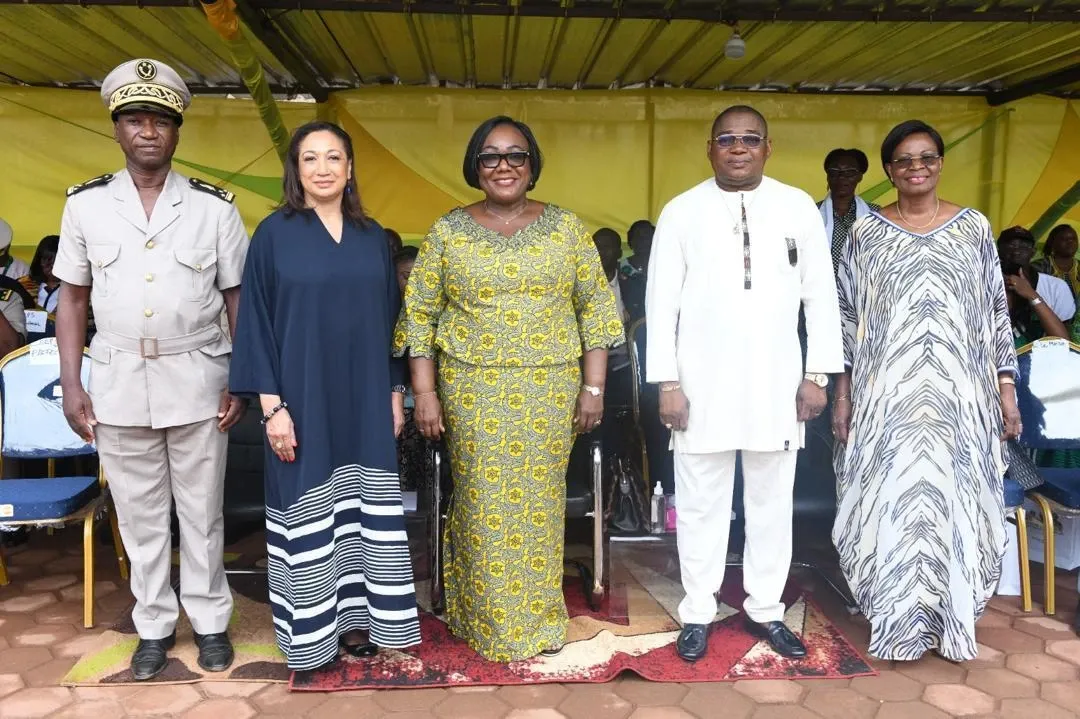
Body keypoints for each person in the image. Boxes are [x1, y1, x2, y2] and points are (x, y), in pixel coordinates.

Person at [394, 115, 623, 662]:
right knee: (479, 501)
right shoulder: (448, 231)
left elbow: (594, 307)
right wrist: (424, 394)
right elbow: (419, 316)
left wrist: (593, 388)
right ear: (475, 167)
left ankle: (539, 616)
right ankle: (484, 615)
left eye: (515, 155)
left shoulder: (567, 228)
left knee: (540, 505)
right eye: (491, 156)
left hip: (549, 390)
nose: (504, 166)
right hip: (472, 390)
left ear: (532, 164)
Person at [53, 58, 248, 681]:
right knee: (138, 517)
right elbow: (73, 301)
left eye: (160, 120)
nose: (147, 131)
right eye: (135, 118)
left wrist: (241, 378)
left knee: (202, 511)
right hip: (115, 380)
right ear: (116, 128)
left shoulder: (214, 208)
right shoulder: (85, 207)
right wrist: (73, 383)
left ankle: (211, 622)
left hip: (199, 377)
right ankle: (154, 626)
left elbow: (237, 299)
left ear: (177, 132)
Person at [646, 105, 843, 662]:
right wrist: (667, 381)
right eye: (727, 139)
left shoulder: (796, 206)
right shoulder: (681, 211)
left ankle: (764, 609)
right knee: (703, 503)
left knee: (770, 503)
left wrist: (816, 375)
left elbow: (819, 296)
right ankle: (698, 611)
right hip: (699, 386)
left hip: (776, 385)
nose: (739, 148)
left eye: (750, 139)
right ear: (709, 148)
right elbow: (660, 305)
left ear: (767, 147)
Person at [229, 121, 421, 671]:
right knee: (308, 510)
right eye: (309, 158)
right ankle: (311, 640)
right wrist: (272, 407)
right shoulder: (273, 234)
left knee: (364, 514)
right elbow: (256, 326)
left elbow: (390, 321)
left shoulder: (370, 235)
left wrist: (393, 391)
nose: (322, 168)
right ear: (296, 169)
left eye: (333, 157)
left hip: (363, 398)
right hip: (301, 399)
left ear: (350, 167)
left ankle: (363, 625)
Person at [831, 120, 1021, 662]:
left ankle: (954, 622)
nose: (917, 167)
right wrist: (843, 396)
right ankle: (896, 625)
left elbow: (993, 313)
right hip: (887, 398)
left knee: (954, 506)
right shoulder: (865, 234)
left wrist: (1005, 388)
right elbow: (848, 321)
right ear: (889, 171)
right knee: (890, 506)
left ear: (939, 162)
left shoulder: (973, 229)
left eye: (927, 157)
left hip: (960, 399)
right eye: (904, 160)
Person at [997, 225, 1074, 346]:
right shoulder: (986, 284)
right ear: (998, 250)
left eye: (1024, 246)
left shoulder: (1057, 287)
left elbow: (1064, 342)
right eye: (1011, 245)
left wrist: (1030, 294)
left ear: (1033, 252)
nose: (1016, 251)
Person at [817, 148, 879, 273]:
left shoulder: (876, 214)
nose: (842, 177)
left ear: (860, 176)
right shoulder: (812, 212)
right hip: (822, 290)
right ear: (828, 176)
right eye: (835, 172)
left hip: (862, 290)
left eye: (850, 172)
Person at [1032, 224, 1080, 299]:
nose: (1070, 242)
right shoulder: (1039, 266)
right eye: (1064, 239)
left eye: (1073, 238)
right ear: (1052, 243)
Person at [620, 219, 653, 320]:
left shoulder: (665, 268)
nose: (642, 240)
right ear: (630, 241)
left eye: (646, 236)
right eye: (637, 236)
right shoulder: (619, 268)